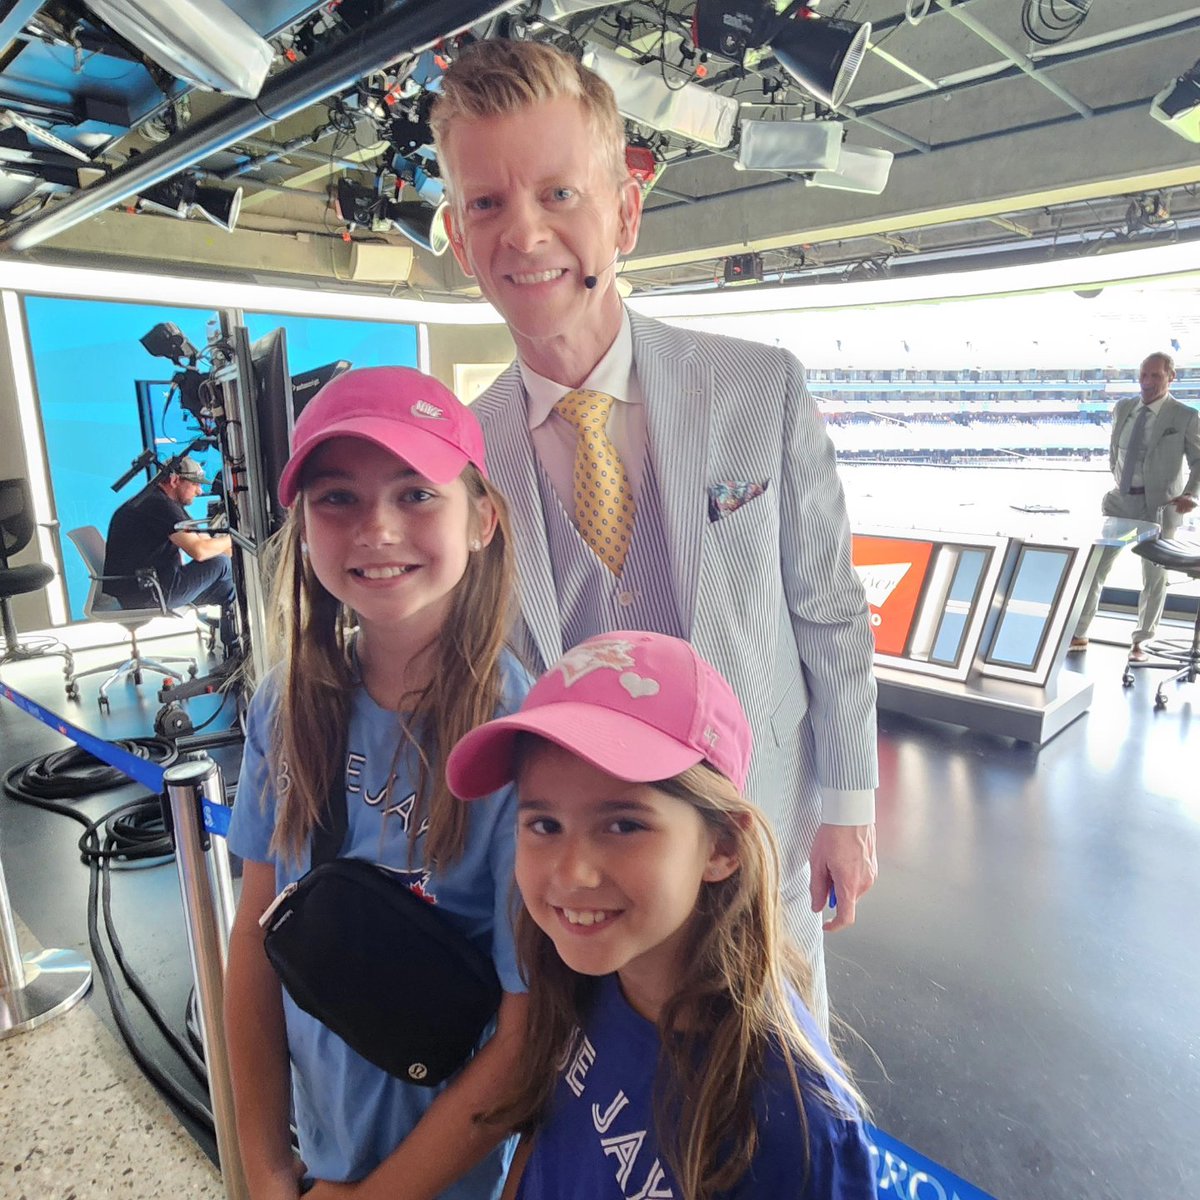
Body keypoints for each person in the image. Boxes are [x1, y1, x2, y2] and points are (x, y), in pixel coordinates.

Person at [430, 39, 878, 1029]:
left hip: (752, 834)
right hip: (591, 888)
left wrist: (846, 806)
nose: (525, 233)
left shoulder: (759, 387)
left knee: (782, 1111)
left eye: (559, 193)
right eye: (488, 205)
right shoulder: (463, 461)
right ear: (459, 242)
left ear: (623, 213)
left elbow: (830, 617)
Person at [224, 367, 531, 1200]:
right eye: (338, 499)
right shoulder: (283, 707)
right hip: (321, 1160)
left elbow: (525, 1031)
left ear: (482, 520)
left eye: (416, 494)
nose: (377, 529)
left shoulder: (519, 745)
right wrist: (265, 1167)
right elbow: (256, 933)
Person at [446, 630, 877, 1200]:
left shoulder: (797, 1125)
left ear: (722, 846)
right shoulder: (581, 975)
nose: (573, 873)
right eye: (544, 824)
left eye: (624, 825)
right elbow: (544, 1142)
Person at [1069, 352, 1200, 660]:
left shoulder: (1184, 416)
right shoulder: (1124, 408)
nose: (1147, 382)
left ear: (1171, 378)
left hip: (1159, 506)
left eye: (1156, 376)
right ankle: (1080, 632)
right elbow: (1116, 450)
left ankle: (1141, 641)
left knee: (1154, 577)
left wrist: (1191, 494)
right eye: (1144, 374)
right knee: (1095, 566)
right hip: (1120, 501)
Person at [103, 454, 238, 653]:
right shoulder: (158, 505)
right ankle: (233, 645)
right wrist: (236, 538)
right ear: (175, 480)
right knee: (222, 565)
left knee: (227, 586)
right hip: (146, 593)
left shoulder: (161, 501)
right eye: (195, 484)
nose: (199, 491)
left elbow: (201, 542)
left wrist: (225, 547)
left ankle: (233, 646)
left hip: (146, 587)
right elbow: (199, 552)